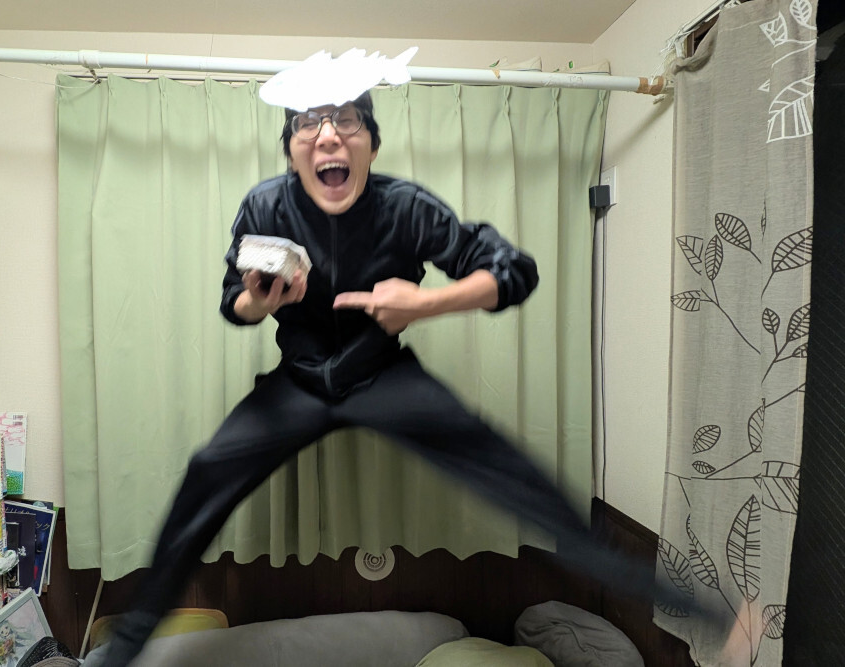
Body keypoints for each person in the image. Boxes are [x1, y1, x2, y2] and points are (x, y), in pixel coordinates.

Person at [99, 60, 698, 666]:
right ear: (292, 151)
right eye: (308, 123)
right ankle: (127, 647)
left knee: (492, 456)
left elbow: (515, 271)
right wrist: (262, 300)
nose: (328, 135)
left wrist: (426, 303)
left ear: (372, 144)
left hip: (381, 372)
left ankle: (642, 584)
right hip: (299, 380)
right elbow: (236, 305)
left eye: (347, 121)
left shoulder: (406, 207)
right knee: (208, 470)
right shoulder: (264, 206)